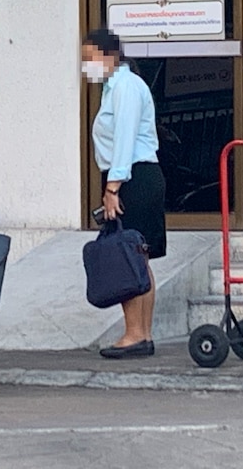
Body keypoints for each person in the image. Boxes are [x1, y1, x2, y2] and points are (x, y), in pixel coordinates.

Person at [82, 29, 166, 360]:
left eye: (90, 58)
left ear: (108, 55)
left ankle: (135, 334)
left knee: (128, 255)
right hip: (134, 174)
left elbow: (125, 139)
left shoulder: (126, 86)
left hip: (132, 176)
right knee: (138, 257)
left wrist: (112, 187)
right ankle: (141, 334)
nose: (86, 66)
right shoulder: (114, 88)